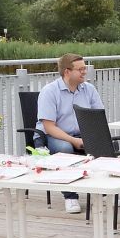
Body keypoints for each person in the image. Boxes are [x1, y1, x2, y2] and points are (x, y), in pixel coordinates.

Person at [36, 53, 104, 213]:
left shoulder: (89, 89)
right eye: (80, 69)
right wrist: (74, 142)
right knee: (65, 148)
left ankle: (101, 192)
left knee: (107, 144)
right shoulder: (49, 91)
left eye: (85, 68)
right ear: (67, 72)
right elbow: (49, 127)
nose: (84, 72)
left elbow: (98, 115)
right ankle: (70, 196)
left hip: (81, 134)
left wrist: (94, 136)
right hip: (51, 135)